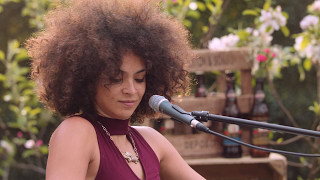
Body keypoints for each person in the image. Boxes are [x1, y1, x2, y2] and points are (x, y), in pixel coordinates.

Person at [26, 0, 205, 179]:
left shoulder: (152, 140)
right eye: (116, 78)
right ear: (87, 78)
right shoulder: (76, 133)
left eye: (139, 79)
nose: (131, 89)